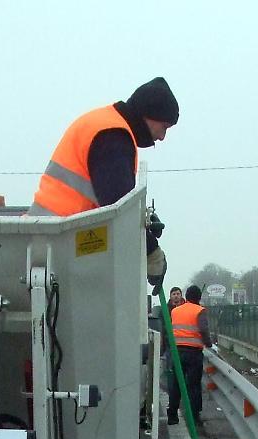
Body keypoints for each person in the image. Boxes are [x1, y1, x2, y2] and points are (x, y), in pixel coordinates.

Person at [28, 77, 179, 292]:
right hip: (61, 245)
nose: (162, 137)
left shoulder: (105, 124)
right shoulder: (114, 137)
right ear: (149, 114)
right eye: (164, 127)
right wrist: (151, 251)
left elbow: (113, 199)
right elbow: (119, 212)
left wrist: (141, 219)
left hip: (49, 239)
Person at [167, 284, 212, 426]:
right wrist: (209, 344)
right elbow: (204, 330)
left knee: (176, 384)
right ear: (199, 297)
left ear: (186, 296)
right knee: (193, 386)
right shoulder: (200, 311)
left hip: (177, 351)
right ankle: (194, 417)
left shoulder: (175, 311)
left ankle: (172, 416)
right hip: (194, 353)